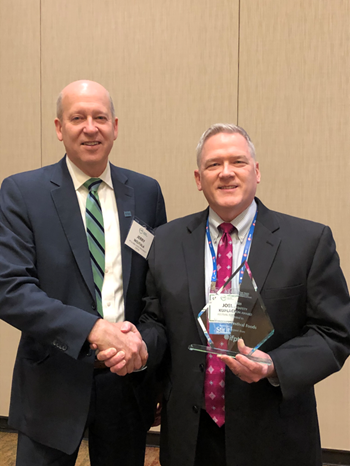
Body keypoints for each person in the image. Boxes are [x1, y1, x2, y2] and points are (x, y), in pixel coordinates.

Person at [100, 123, 350, 466]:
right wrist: (140, 346)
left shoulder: (307, 242)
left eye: (238, 162)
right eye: (213, 164)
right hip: (191, 435)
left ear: (257, 171)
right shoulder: (166, 242)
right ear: (198, 178)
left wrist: (275, 365)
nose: (226, 173)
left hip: (275, 435)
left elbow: (334, 332)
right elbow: (157, 321)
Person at [0, 80, 166, 466]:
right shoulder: (23, 192)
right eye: (78, 118)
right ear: (59, 128)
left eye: (100, 118)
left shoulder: (145, 192)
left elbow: (158, 292)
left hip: (126, 384)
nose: (90, 127)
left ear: (115, 127)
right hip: (52, 381)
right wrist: (92, 329)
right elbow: (10, 289)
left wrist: (149, 362)